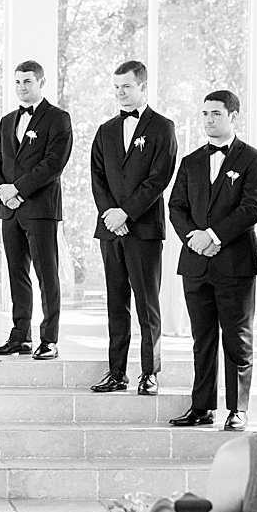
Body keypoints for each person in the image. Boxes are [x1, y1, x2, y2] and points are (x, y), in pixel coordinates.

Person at [166, 90, 257, 431]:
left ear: (234, 117)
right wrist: (195, 239)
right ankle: (202, 407)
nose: (208, 119)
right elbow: (176, 206)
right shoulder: (191, 161)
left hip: (235, 264)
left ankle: (237, 409)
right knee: (202, 339)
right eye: (205, 113)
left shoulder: (254, 160)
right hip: (195, 263)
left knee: (237, 338)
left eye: (216, 114)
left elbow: (252, 208)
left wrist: (215, 236)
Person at [88, 60, 179, 396]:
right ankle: (116, 372)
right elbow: (96, 177)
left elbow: (160, 178)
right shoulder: (105, 130)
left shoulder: (163, 128)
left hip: (143, 229)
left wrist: (126, 213)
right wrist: (111, 214)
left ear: (142, 85)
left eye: (126, 86)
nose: (120, 93)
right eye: (115, 87)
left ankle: (149, 372)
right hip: (110, 230)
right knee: (115, 303)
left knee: (146, 304)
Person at [0, 60, 73, 359]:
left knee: (46, 274)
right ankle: (20, 336)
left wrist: (18, 189)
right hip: (9, 210)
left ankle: (49, 339)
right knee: (16, 274)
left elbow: (53, 163)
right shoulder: (7, 121)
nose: (22, 87)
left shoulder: (58, 119)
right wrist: (3, 193)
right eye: (18, 82)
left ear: (41, 82)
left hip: (40, 209)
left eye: (28, 82)